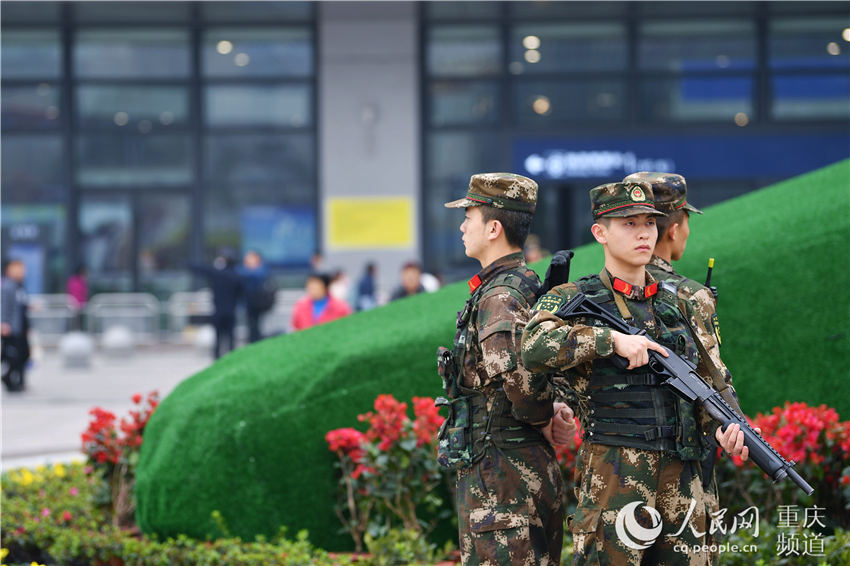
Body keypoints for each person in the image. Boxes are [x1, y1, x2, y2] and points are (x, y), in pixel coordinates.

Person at [521, 181, 754, 565]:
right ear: (600, 233)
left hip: (684, 478)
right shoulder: (569, 299)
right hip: (615, 474)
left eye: (649, 222)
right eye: (628, 223)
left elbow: (715, 383)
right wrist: (609, 340)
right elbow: (532, 347)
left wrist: (727, 429)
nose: (644, 232)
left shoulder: (685, 302)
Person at [439, 172, 574, 565]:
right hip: (516, 470)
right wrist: (556, 410)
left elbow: (519, 381)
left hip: (501, 475)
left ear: (494, 227)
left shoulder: (500, 296)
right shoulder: (523, 286)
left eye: (470, 216)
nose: (463, 226)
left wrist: (546, 415)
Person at [623, 171, 744, 564]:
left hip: (619, 476)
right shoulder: (689, 295)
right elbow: (714, 381)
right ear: (673, 229)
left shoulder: (604, 290)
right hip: (684, 474)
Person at [190, 253, 243, 359]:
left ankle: (217, 358)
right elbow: (241, 293)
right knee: (230, 337)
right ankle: (231, 357)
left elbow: (200, 269)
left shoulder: (217, 274)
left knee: (218, 337)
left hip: (218, 311)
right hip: (231, 311)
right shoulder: (237, 276)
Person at [2, 259, 31, 392]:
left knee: (24, 354)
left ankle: (19, 381)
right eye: (19, 268)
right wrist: (3, 323)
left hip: (21, 327)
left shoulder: (19, 286)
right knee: (13, 356)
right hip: (11, 328)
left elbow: (21, 307)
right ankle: (8, 378)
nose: (22, 271)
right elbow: (4, 306)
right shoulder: (7, 286)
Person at [238, 250, 271, 343]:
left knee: (257, 326)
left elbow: (257, 274)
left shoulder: (261, 270)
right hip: (248, 303)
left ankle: (257, 342)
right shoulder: (243, 270)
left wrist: (249, 269)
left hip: (259, 303)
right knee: (251, 326)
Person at [66, 264, 89, 330]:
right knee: (77, 322)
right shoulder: (80, 282)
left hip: (76, 305)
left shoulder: (72, 280)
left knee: (76, 322)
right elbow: (80, 294)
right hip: (77, 305)